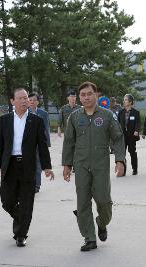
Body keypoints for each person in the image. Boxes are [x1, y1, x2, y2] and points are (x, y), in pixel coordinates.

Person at [62, 81, 125, 252]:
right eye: (82, 95)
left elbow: (118, 138)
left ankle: (101, 222)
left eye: (89, 94)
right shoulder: (74, 117)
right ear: (79, 97)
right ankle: (89, 237)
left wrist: (120, 160)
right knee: (82, 202)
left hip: (100, 165)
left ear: (96, 95)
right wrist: (66, 164)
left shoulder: (107, 115)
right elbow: (69, 142)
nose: (86, 97)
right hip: (80, 165)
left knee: (104, 201)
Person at [0, 88, 54, 247]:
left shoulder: (36, 121)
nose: (24, 101)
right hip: (10, 165)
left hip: (28, 166)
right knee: (7, 201)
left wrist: (47, 167)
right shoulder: (5, 120)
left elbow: (42, 146)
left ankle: (21, 234)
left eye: (26, 98)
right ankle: (22, 217)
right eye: (20, 98)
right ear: (12, 101)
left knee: (27, 202)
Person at [28, 92, 51, 193]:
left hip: (39, 143)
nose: (32, 102)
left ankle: (37, 184)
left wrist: (47, 143)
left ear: (38, 102)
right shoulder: (24, 112)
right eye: (30, 100)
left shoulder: (43, 114)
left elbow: (46, 128)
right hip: (27, 144)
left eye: (34, 100)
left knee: (38, 164)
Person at [118, 94, 141, 175]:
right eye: (124, 100)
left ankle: (135, 169)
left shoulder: (135, 112)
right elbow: (117, 123)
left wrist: (136, 130)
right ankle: (122, 171)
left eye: (125, 100)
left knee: (132, 152)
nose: (124, 101)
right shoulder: (121, 112)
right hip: (122, 136)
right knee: (122, 154)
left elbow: (138, 123)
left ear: (130, 102)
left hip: (132, 136)